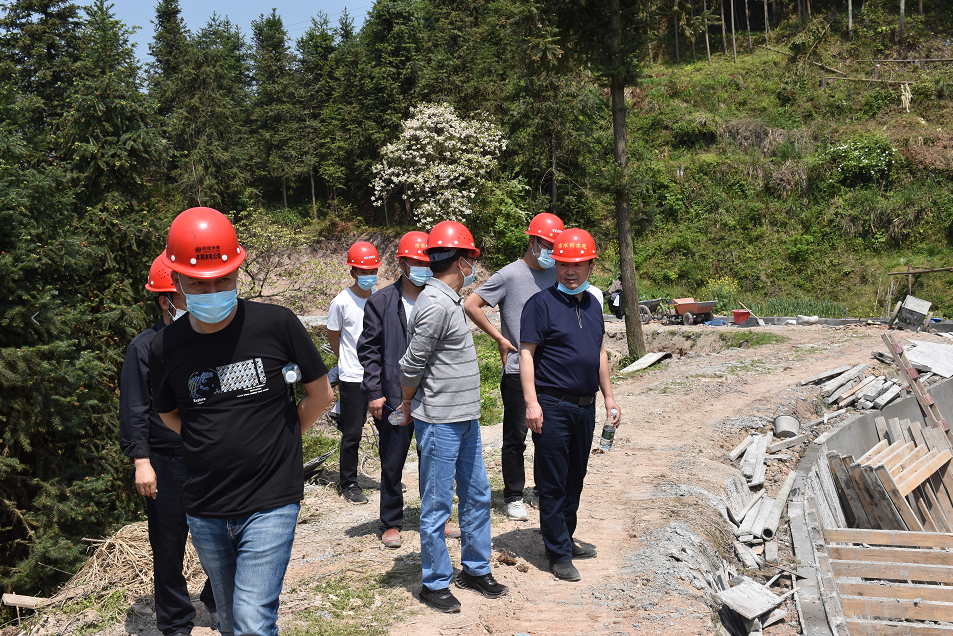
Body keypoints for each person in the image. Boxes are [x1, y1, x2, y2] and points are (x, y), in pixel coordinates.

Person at [149, 207, 333, 636]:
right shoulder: (165, 346)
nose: (213, 290)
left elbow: (321, 394)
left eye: (223, 279)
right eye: (199, 283)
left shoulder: (277, 324)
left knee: (252, 620)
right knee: (230, 619)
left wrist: (280, 439)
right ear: (177, 282)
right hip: (206, 505)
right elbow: (168, 413)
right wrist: (208, 442)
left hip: (272, 498)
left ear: (237, 272)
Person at [399, 221, 508, 613]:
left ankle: (475, 569)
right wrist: (407, 402)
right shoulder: (434, 305)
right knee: (437, 504)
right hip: (439, 421)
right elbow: (411, 365)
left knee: (477, 494)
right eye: (471, 259)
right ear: (462, 262)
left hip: (465, 418)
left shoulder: (450, 300)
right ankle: (434, 583)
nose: (473, 267)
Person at [120, 252, 216, 636]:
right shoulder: (144, 348)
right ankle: (176, 621)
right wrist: (141, 461)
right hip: (166, 460)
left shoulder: (206, 339)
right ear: (166, 300)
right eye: (186, 293)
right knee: (168, 544)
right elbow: (134, 407)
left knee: (224, 532)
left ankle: (218, 599)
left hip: (209, 455)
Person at [518, 228, 622, 582]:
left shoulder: (593, 304)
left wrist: (609, 397)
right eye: (564, 264)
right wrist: (531, 403)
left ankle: (565, 536)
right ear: (556, 265)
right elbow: (526, 355)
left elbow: (599, 352)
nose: (570, 270)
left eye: (578, 264)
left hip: (585, 406)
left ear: (591, 266)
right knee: (552, 480)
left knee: (576, 477)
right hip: (552, 405)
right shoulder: (540, 305)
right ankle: (558, 553)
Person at [463, 212, 564, 521]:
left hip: (551, 372)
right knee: (516, 436)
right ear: (532, 241)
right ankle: (514, 495)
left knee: (547, 436)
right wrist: (499, 337)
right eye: (546, 245)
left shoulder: (558, 273)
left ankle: (543, 490)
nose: (551, 251)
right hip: (518, 370)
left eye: (555, 246)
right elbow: (471, 304)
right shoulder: (509, 275)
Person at [356, 231, 431, 546]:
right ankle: (390, 522)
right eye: (416, 262)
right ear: (402, 264)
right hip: (395, 395)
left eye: (426, 262)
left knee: (433, 460)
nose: (422, 268)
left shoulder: (437, 298)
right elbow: (368, 351)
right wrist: (374, 392)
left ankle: (436, 518)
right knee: (392, 460)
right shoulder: (381, 301)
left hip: (431, 395)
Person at [327, 241, 381, 504]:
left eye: (373, 270)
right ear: (353, 272)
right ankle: (348, 483)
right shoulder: (341, 302)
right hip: (352, 377)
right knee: (352, 433)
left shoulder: (380, 298)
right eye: (363, 271)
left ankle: (390, 477)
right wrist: (346, 361)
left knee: (389, 428)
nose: (369, 275)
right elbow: (333, 335)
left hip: (378, 375)